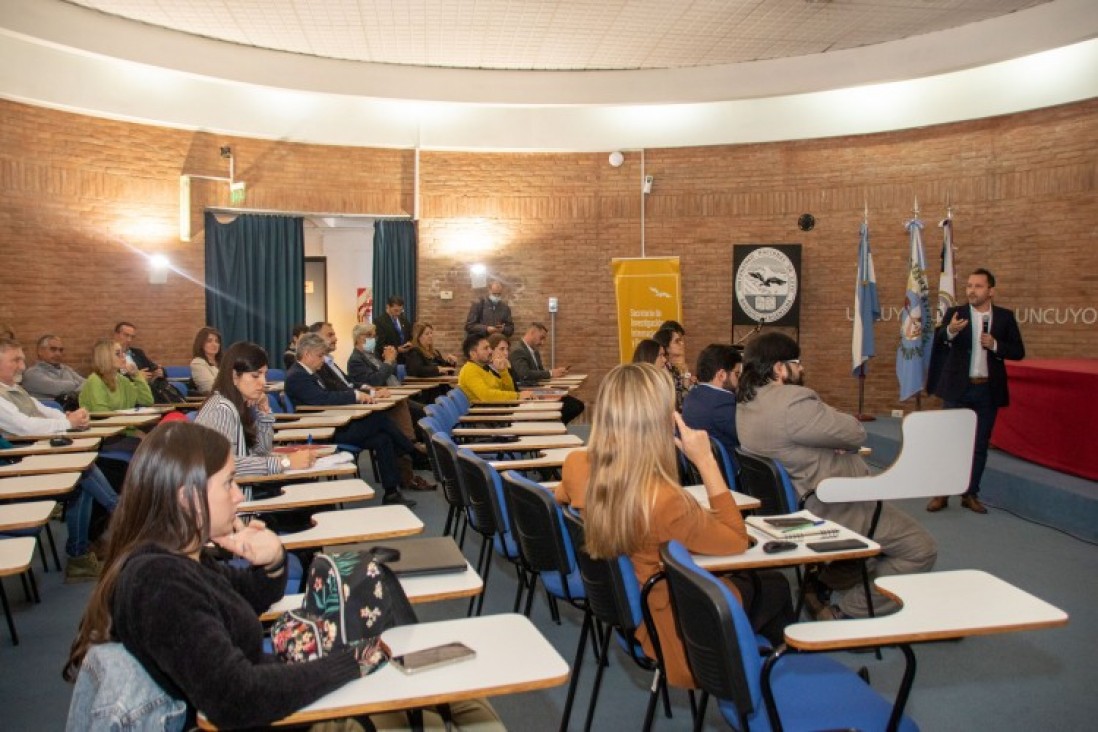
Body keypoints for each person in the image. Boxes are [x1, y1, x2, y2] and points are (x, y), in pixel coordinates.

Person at [62, 422, 363, 730]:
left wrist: (271, 562)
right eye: (228, 483)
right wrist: (353, 663)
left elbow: (243, 597)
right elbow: (236, 697)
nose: (238, 496)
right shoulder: (159, 583)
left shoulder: (176, 555)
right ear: (188, 498)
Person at [554, 363, 792, 689]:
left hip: (634, 612)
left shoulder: (576, 465)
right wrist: (705, 461)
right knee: (775, 584)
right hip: (674, 629)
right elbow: (736, 540)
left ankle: (757, 675)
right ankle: (752, 685)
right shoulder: (665, 501)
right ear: (661, 421)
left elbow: (562, 496)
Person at [736, 332, 936, 619]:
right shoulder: (794, 402)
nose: (802, 368)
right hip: (829, 508)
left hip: (792, 502)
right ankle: (844, 612)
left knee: (872, 553)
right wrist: (835, 437)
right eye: (797, 362)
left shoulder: (746, 403)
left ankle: (823, 581)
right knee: (920, 548)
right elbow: (855, 432)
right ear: (779, 368)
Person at [0, 338, 119, 581]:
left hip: (39, 455)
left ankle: (81, 554)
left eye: (21, 359)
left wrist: (69, 415)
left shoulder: (13, 388)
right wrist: (67, 423)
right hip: (19, 463)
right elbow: (25, 427)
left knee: (81, 479)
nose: (22, 366)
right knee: (83, 471)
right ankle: (119, 513)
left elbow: (44, 411)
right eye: (15, 360)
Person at [927, 268, 1025, 514]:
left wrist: (996, 345)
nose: (971, 290)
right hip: (958, 389)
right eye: (969, 286)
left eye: (978, 286)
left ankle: (970, 493)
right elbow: (938, 340)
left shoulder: (1004, 318)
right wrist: (951, 331)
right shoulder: (955, 313)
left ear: (990, 291)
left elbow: (1017, 351)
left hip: (986, 391)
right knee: (950, 443)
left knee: (979, 445)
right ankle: (942, 492)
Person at [286, 334, 423, 505]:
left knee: (383, 439)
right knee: (379, 418)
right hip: (323, 431)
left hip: (334, 421)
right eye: (320, 355)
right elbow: (323, 399)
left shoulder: (313, 372)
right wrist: (355, 395)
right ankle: (411, 451)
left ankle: (391, 493)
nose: (323, 360)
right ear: (307, 354)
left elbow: (337, 389)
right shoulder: (297, 376)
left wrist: (359, 393)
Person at [195, 341, 316, 478]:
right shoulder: (220, 409)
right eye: (255, 376)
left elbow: (262, 452)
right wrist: (285, 462)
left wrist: (263, 413)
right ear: (234, 376)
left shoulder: (239, 404)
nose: (263, 382)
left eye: (265, 375)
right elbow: (222, 464)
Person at [511, 323, 585, 424]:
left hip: (539, 389)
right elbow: (525, 374)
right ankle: (552, 424)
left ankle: (554, 423)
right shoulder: (518, 350)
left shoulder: (534, 351)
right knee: (573, 406)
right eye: (541, 338)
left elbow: (540, 372)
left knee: (578, 405)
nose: (542, 342)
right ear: (532, 332)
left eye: (544, 339)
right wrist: (550, 373)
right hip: (529, 391)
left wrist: (555, 373)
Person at [681, 344, 742, 462]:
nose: (739, 380)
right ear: (721, 375)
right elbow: (746, 438)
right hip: (725, 474)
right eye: (737, 374)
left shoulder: (692, 395)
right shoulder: (723, 402)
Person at [79, 339, 155, 413]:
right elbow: (101, 413)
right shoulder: (95, 380)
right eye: (118, 354)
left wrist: (136, 375)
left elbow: (147, 401)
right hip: (105, 425)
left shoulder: (122, 380)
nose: (123, 356)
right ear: (106, 357)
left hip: (124, 423)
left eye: (123, 353)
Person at [458, 333, 533, 403]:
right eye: (486, 348)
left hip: (498, 409)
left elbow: (509, 390)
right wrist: (518, 396)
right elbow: (486, 396)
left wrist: (503, 371)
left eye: (489, 348)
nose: (490, 351)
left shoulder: (483, 368)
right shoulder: (469, 370)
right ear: (473, 354)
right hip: (486, 414)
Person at [20, 334, 85, 401]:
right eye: (53, 349)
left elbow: (87, 384)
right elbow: (57, 389)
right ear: (40, 351)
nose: (58, 354)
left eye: (61, 350)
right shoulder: (31, 374)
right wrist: (76, 384)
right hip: (46, 410)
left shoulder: (66, 369)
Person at [348, 322, 400, 389]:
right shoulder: (355, 360)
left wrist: (392, 358)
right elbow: (374, 382)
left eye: (374, 336)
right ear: (357, 337)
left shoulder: (373, 355)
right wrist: (387, 361)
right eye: (369, 335)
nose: (372, 339)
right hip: (381, 395)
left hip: (395, 388)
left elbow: (391, 372)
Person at [652, 328, 691, 410]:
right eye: (677, 341)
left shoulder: (673, 368)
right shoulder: (659, 370)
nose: (682, 344)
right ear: (667, 347)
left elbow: (683, 398)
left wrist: (686, 373)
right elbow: (681, 402)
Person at [373, 295, 414, 359]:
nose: (398, 313)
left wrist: (410, 343)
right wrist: (397, 349)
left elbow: (410, 336)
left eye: (401, 310)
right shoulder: (379, 322)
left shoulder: (404, 320)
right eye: (396, 310)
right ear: (388, 307)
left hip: (405, 359)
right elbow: (379, 344)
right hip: (389, 359)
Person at [189, 326, 222, 394]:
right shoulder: (197, 363)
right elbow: (211, 387)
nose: (214, 344)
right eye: (209, 341)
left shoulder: (223, 361)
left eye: (217, 341)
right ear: (201, 344)